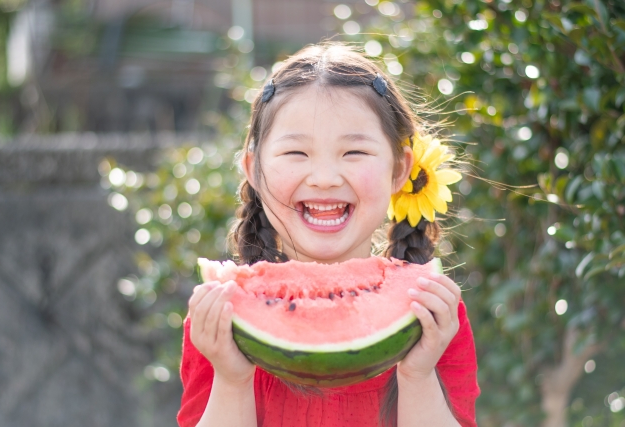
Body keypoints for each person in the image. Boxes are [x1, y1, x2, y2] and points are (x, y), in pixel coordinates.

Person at [177, 43, 479, 427]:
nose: (324, 178)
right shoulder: (219, 316)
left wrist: (417, 374)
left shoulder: (434, 313)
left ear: (401, 170)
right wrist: (232, 379)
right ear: (253, 170)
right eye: (296, 154)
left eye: (354, 152)